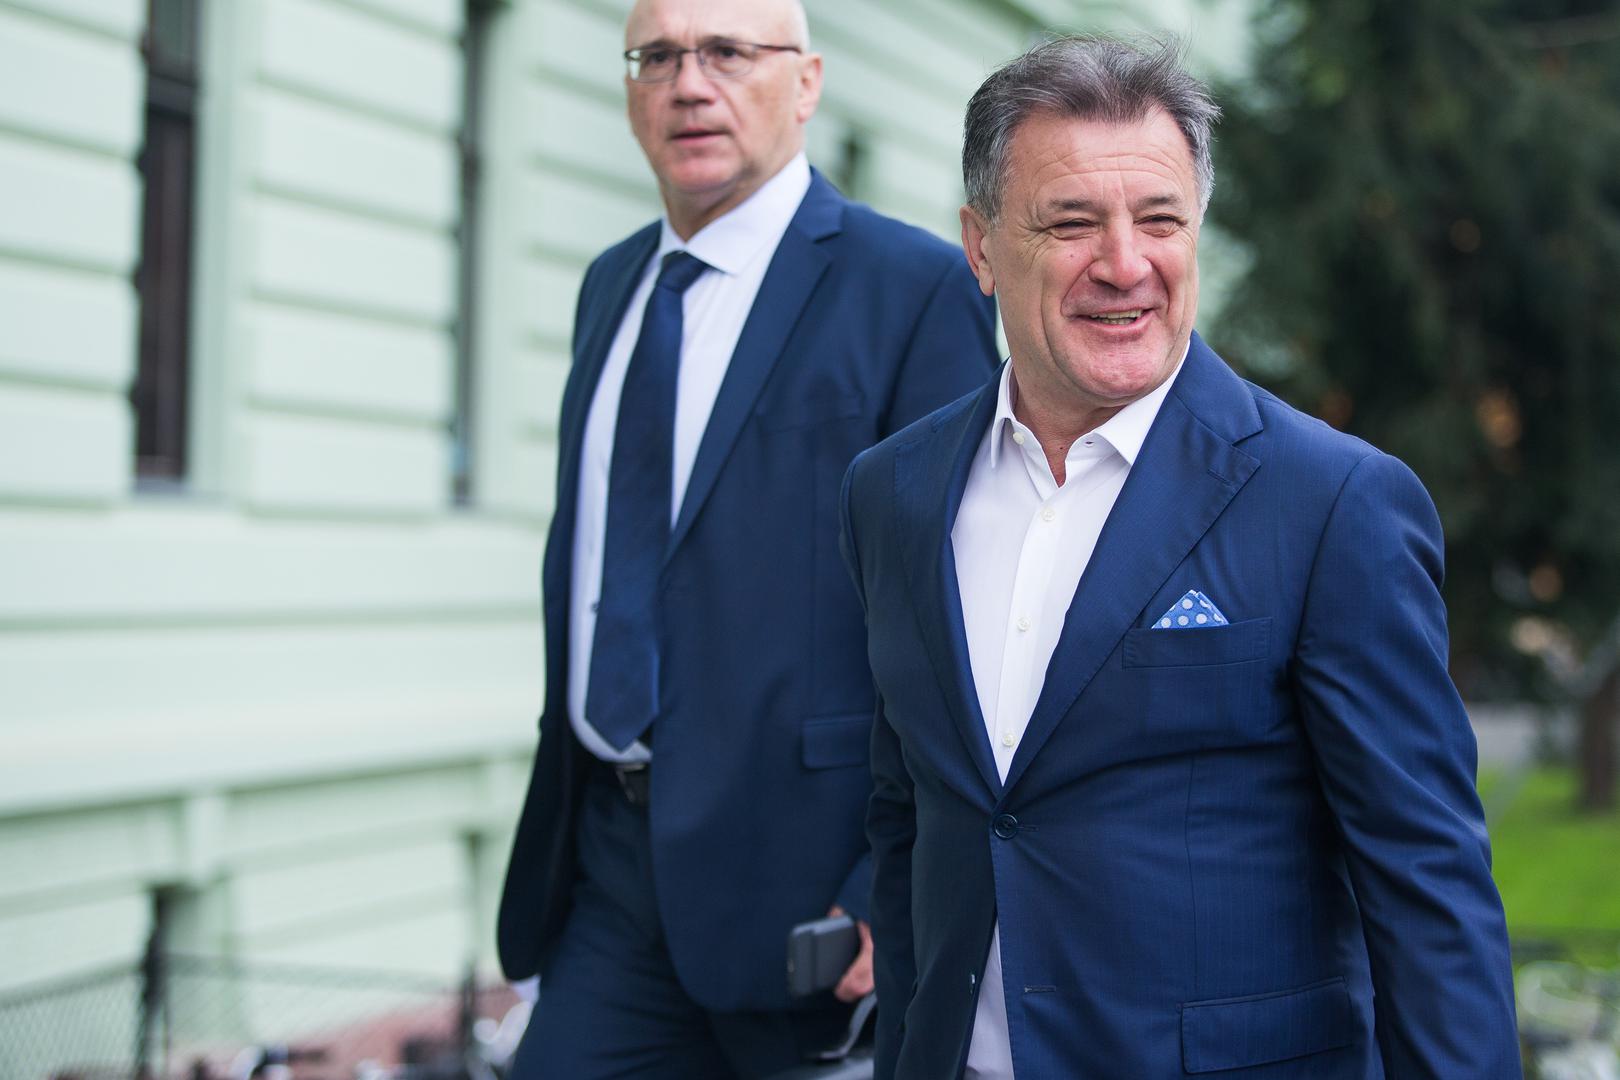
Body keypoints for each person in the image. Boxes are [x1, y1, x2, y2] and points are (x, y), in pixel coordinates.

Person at [840, 35, 1520, 1080]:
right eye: (1072, 222)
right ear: (980, 247)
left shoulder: (1332, 502)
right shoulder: (893, 493)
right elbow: (910, 823)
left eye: (1159, 220)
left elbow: (1427, 882)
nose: (1125, 264)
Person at [495, 0, 998, 1074]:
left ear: (806, 83)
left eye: (727, 52)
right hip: (610, 870)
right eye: (657, 57)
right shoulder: (609, 287)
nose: (689, 84)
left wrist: (893, 879)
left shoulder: (910, 289)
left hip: (808, 884)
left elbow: (962, 606)